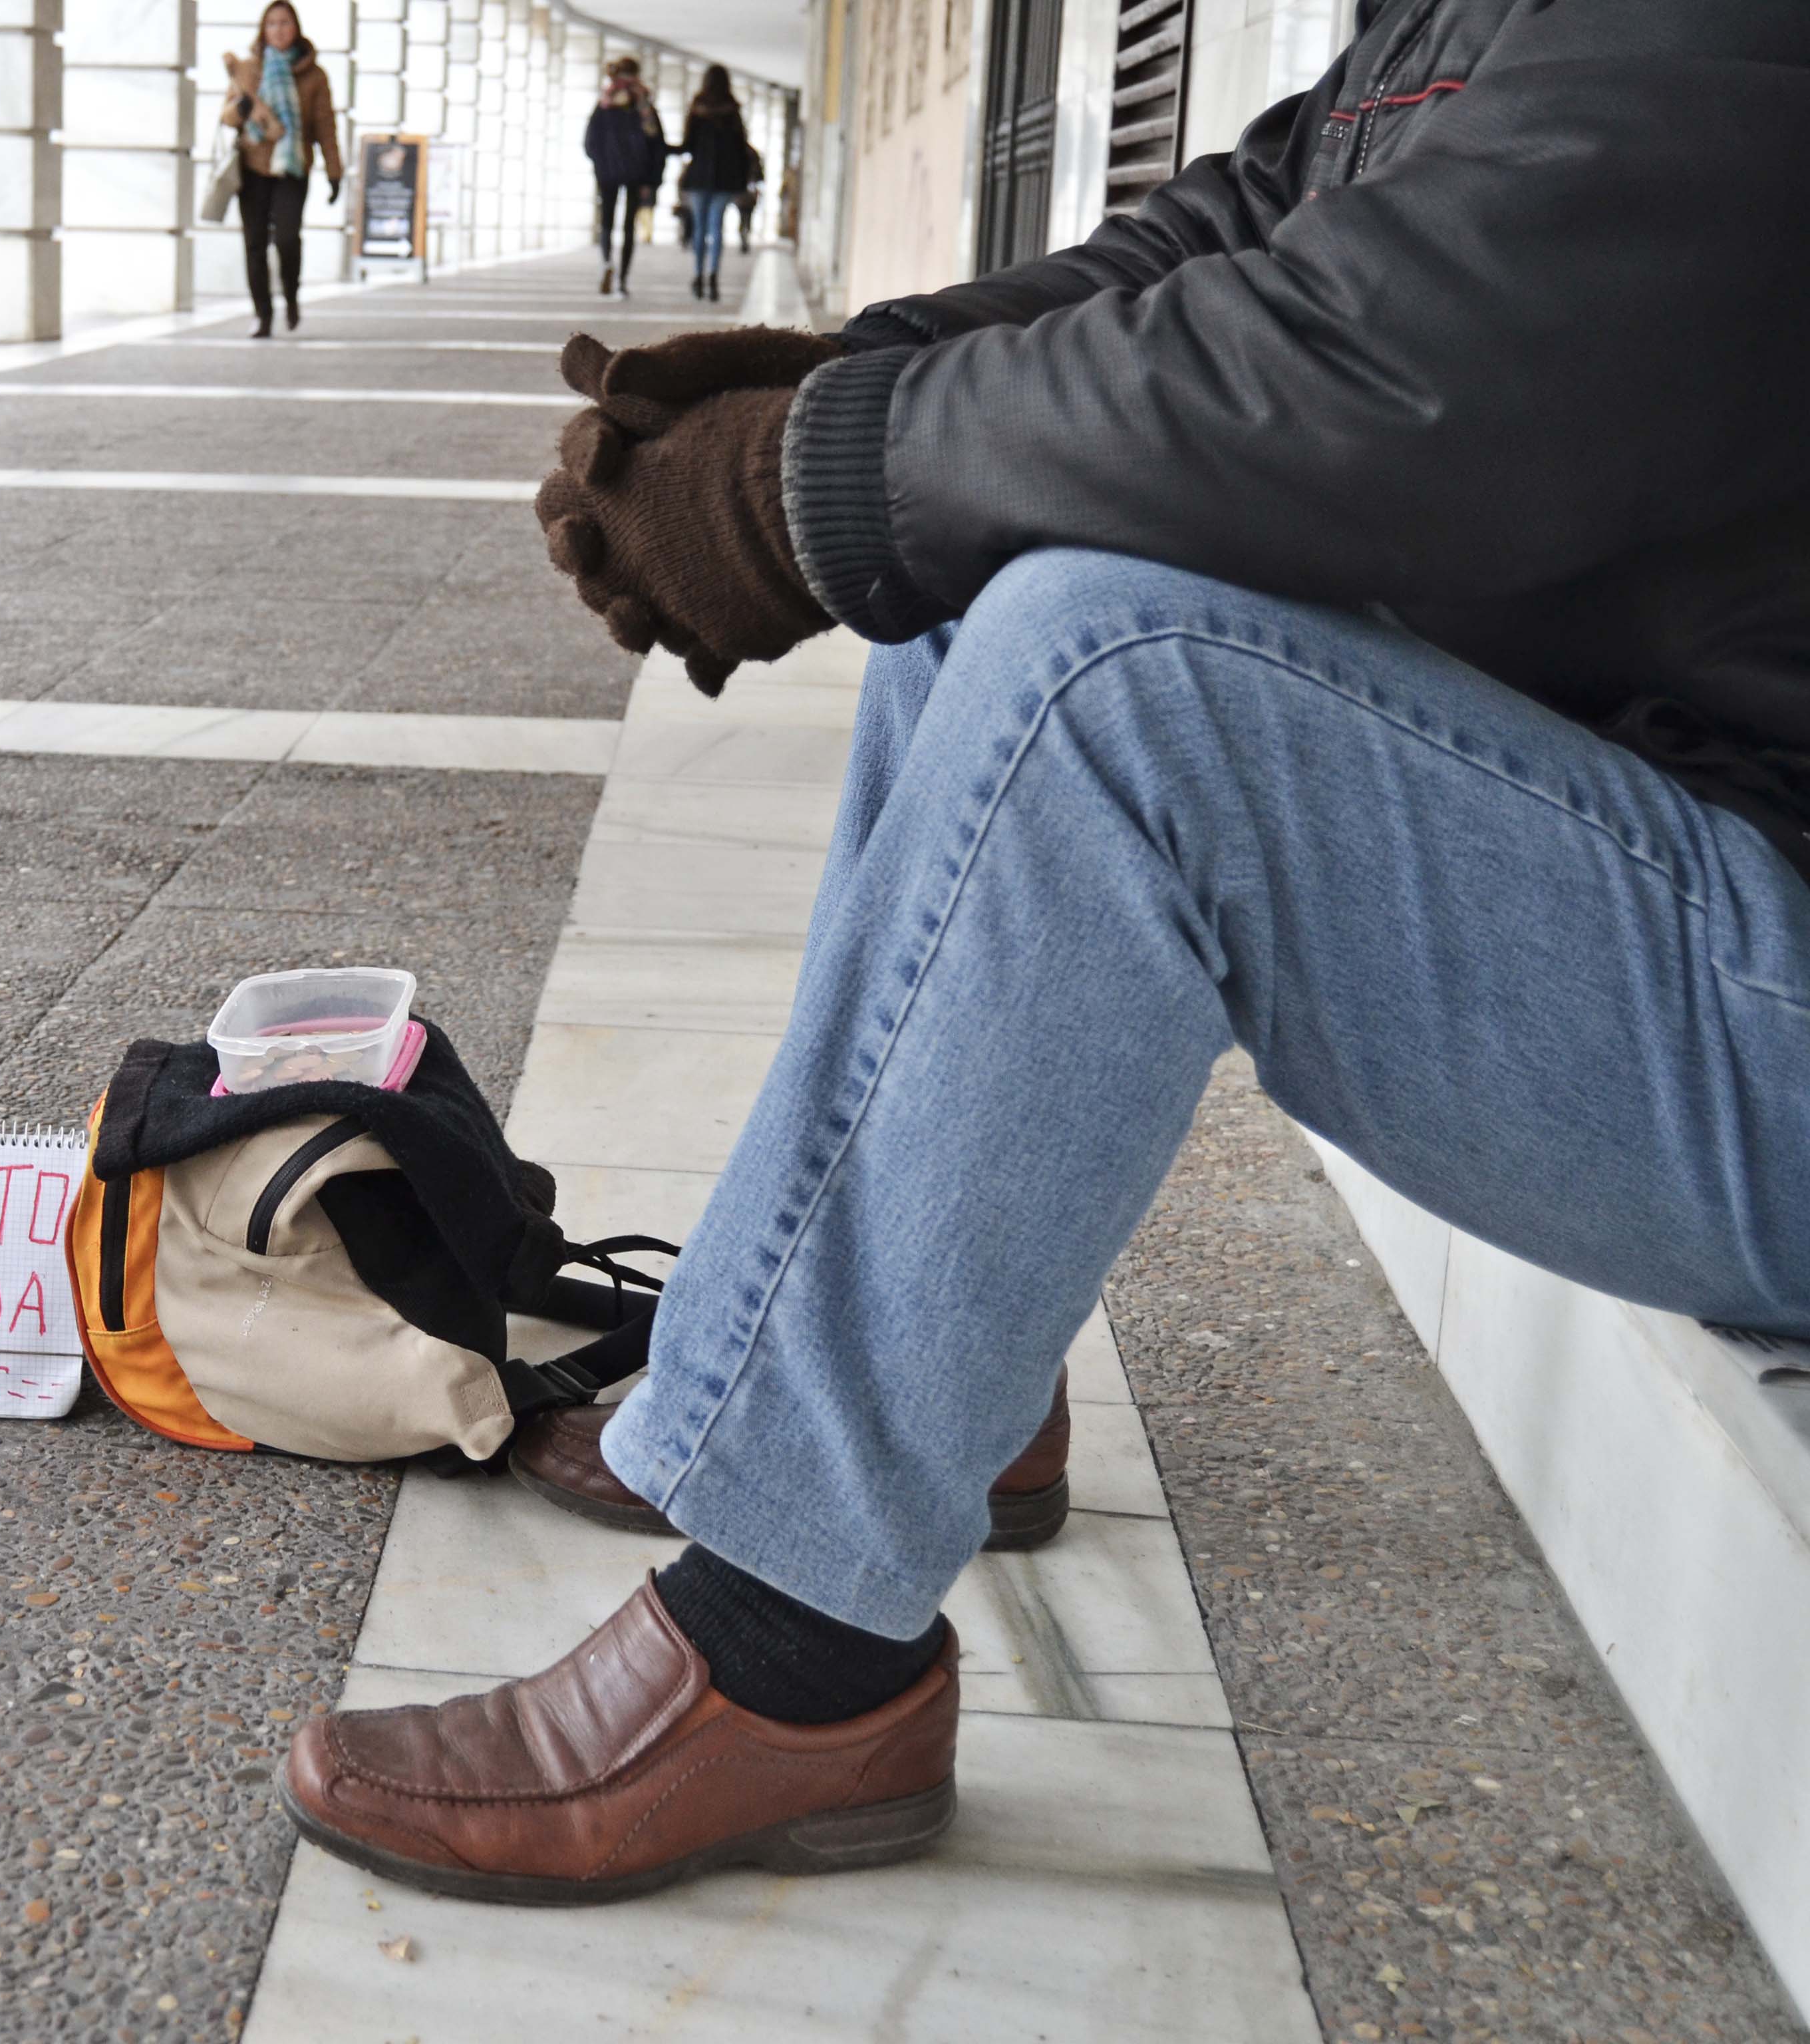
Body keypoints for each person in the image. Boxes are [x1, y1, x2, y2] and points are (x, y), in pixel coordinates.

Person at [281, 0, 1810, 1905]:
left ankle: (795, 1649)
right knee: (997, 586)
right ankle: (948, 1403)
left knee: (1114, 682)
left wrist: (809, 481)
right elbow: (1213, 249)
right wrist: (828, 383)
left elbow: (1406, 366)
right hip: (1698, 877)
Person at [220, 3, 343, 343]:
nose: (278, 30)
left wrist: (335, 172)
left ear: (296, 28)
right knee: (255, 243)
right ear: (263, 29)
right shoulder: (247, 70)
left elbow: (325, 127)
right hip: (254, 167)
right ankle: (263, 314)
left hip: (293, 166)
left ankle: (291, 294)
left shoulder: (314, 76)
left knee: (287, 238)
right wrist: (240, 109)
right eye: (271, 24)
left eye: (284, 23)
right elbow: (227, 117)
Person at [581, 56, 667, 297]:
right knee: (629, 226)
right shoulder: (645, 107)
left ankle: (607, 262)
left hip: (607, 173)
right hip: (637, 174)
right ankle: (622, 281)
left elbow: (590, 141)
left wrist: (600, 164)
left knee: (607, 222)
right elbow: (657, 145)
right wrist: (653, 180)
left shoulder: (605, 103)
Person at [675, 66, 752, 302]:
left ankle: (698, 276)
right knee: (716, 228)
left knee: (700, 228)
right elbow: (742, 148)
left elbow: (687, 145)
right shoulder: (733, 110)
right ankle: (713, 277)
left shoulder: (697, 110)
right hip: (725, 180)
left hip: (699, 178)